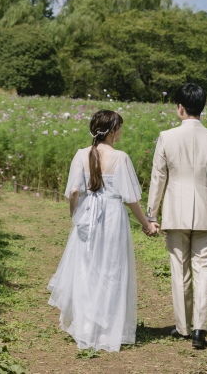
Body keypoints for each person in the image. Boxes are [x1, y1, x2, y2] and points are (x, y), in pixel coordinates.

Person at [47, 109, 158, 352]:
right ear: (111, 132)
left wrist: (75, 215)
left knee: (87, 268)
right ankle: (108, 329)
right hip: (112, 217)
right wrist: (146, 223)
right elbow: (130, 199)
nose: (121, 132)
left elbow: (74, 191)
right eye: (119, 128)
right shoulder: (121, 158)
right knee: (111, 269)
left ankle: (86, 327)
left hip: (88, 216)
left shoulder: (80, 155)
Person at [146, 83, 207, 350]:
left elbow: (158, 178)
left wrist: (152, 213)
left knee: (179, 268)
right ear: (202, 107)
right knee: (203, 271)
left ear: (180, 108)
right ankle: (200, 330)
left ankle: (183, 327)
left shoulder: (166, 137)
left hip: (175, 212)